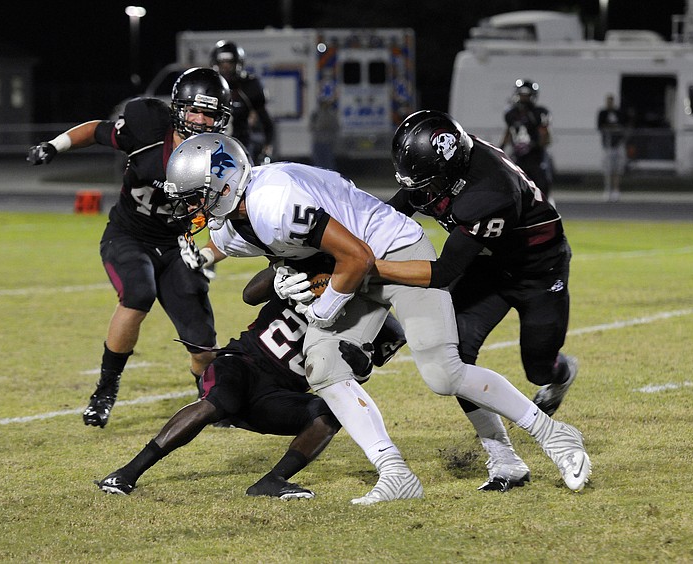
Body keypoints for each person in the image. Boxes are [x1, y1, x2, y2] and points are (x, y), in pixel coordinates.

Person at [163, 133, 591, 504]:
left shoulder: (273, 201)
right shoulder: (231, 225)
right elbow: (283, 261)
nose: (188, 210)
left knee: (443, 372)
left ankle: (554, 435)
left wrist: (325, 303)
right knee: (323, 365)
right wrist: (276, 278)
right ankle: (396, 474)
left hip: (392, 250)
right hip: (352, 265)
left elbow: (357, 257)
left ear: (221, 185)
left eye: (192, 197)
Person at [381, 109, 580, 492]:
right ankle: (505, 459)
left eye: (427, 183)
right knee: (453, 358)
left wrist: (371, 269)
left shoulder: (491, 191)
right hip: (489, 268)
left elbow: (443, 272)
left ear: (451, 169)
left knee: (538, 368)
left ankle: (559, 373)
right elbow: (388, 215)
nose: (420, 192)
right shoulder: (438, 166)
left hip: (539, 272)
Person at [26, 68, 232, 428]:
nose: (200, 120)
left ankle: (209, 400)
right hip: (128, 235)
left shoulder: (224, 161)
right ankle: (105, 390)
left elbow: (236, 224)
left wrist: (209, 253)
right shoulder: (147, 126)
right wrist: (54, 146)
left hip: (175, 245)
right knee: (138, 293)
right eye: (194, 110)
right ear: (178, 108)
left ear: (221, 119)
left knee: (202, 344)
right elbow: (96, 131)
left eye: (210, 113)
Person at [95, 260, 407, 498]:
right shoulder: (313, 265)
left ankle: (273, 480)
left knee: (331, 412)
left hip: (280, 394)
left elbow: (360, 375)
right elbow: (250, 294)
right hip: (243, 363)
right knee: (219, 401)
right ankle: (126, 473)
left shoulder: (380, 321)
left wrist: (361, 366)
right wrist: (281, 272)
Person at [211, 40, 275, 165]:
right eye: (222, 63)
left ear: (238, 63)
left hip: (242, 147)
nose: (225, 67)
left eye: (229, 63)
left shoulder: (248, 86)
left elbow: (266, 122)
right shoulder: (210, 85)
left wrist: (267, 149)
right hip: (212, 146)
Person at [500, 79, 553, 200]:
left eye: (527, 95)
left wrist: (535, 145)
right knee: (515, 188)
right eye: (521, 94)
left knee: (542, 190)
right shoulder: (511, 113)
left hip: (536, 157)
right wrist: (501, 148)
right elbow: (508, 132)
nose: (524, 98)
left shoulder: (539, 113)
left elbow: (546, 136)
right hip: (518, 156)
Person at [597, 94, 630, 202]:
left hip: (617, 145)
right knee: (608, 169)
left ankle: (616, 190)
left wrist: (615, 129)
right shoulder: (603, 113)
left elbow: (623, 126)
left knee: (617, 169)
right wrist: (612, 128)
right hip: (607, 146)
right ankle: (607, 190)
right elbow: (601, 126)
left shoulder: (618, 113)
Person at [310, 98, 340, 170]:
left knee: (327, 162)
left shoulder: (330, 115)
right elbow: (311, 127)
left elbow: (336, 127)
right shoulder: (315, 115)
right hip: (318, 141)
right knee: (319, 163)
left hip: (327, 142)